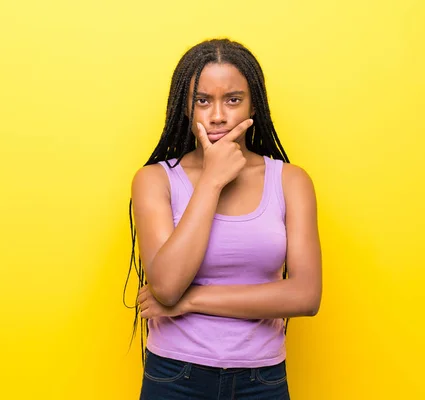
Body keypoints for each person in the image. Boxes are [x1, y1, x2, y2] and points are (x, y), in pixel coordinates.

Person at [126, 38, 322, 400]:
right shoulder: (155, 180)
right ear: (186, 108)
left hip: (261, 379)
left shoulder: (291, 181)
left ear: (253, 105)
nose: (218, 115)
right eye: (203, 100)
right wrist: (213, 180)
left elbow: (305, 295)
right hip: (173, 376)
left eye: (233, 99)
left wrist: (192, 301)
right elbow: (167, 285)